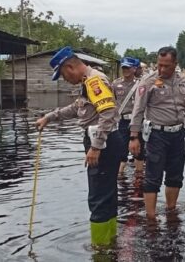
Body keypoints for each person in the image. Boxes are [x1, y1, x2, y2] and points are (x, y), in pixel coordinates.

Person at [35, 46, 123, 246]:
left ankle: (100, 250)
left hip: (102, 143)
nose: (65, 80)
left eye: (63, 75)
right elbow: (78, 108)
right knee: (107, 195)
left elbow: (108, 114)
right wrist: (50, 117)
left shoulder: (94, 80)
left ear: (69, 67)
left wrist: (96, 147)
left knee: (98, 198)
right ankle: (110, 242)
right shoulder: (88, 82)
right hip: (107, 141)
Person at [129, 46, 185, 220]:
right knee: (153, 177)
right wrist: (133, 137)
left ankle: (171, 211)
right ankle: (151, 218)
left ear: (175, 64)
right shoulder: (148, 82)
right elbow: (138, 110)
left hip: (177, 134)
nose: (162, 69)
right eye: (159, 65)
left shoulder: (184, 80)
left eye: (166, 66)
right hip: (156, 134)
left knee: (175, 176)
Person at [112, 56, 145, 175]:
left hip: (138, 121)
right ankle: (120, 176)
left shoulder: (141, 84)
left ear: (134, 69)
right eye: (123, 68)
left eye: (127, 68)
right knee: (121, 150)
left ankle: (139, 176)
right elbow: (111, 101)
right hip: (123, 121)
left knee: (139, 151)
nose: (125, 70)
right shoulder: (115, 84)